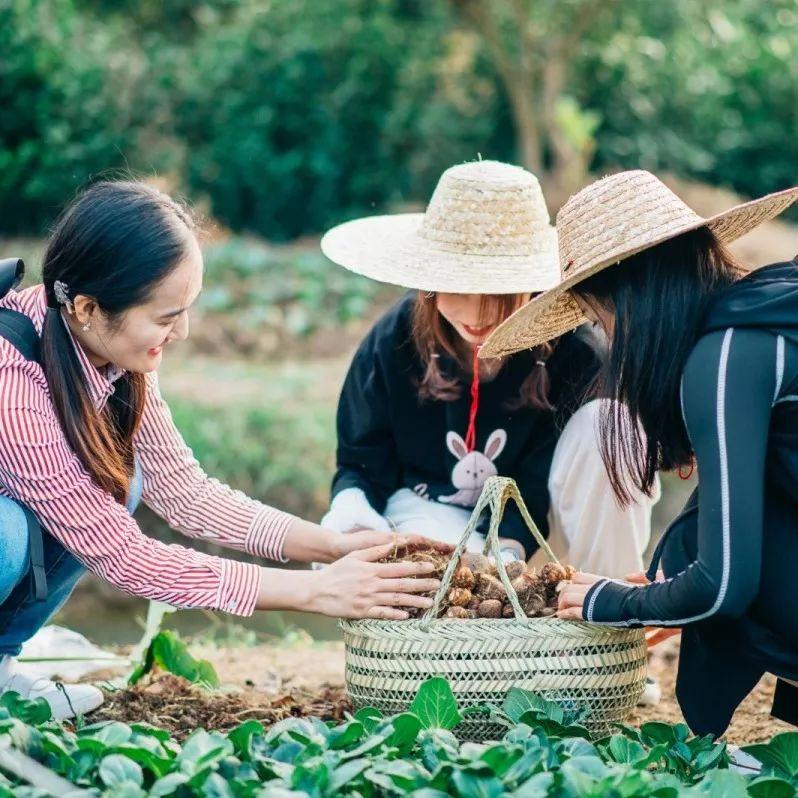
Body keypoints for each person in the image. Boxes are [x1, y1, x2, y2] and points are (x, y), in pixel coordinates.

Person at [0, 181, 443, 719]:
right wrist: (314, 594)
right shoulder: (13, 380)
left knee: (121, 479)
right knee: (8, 534)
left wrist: (333, 547)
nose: (182, 332)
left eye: (185, 310)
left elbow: (187, 495)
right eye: (166, 317)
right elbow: (123, 556)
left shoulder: (108, 352)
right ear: (90, 307)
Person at [481, 168, 798, 736]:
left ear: (633, 300)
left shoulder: (725, 358)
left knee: (696, 556)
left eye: (601, 321)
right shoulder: (763, 313)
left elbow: (726, 585)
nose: (610, 342)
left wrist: (612, 603)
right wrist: (662, 588)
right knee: (687, 543)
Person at [319, 160, 658, 572]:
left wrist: (508, 553)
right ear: (430, 278)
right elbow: (363, 460)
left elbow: (546, 479)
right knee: (434, 568)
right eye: (459, 285)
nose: (476, 313)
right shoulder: (396, 338)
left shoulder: (575, 351)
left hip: (550, 524)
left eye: (498, 289)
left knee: (612, 425)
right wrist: (352, 517)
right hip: (430, 510)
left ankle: (606, 613)